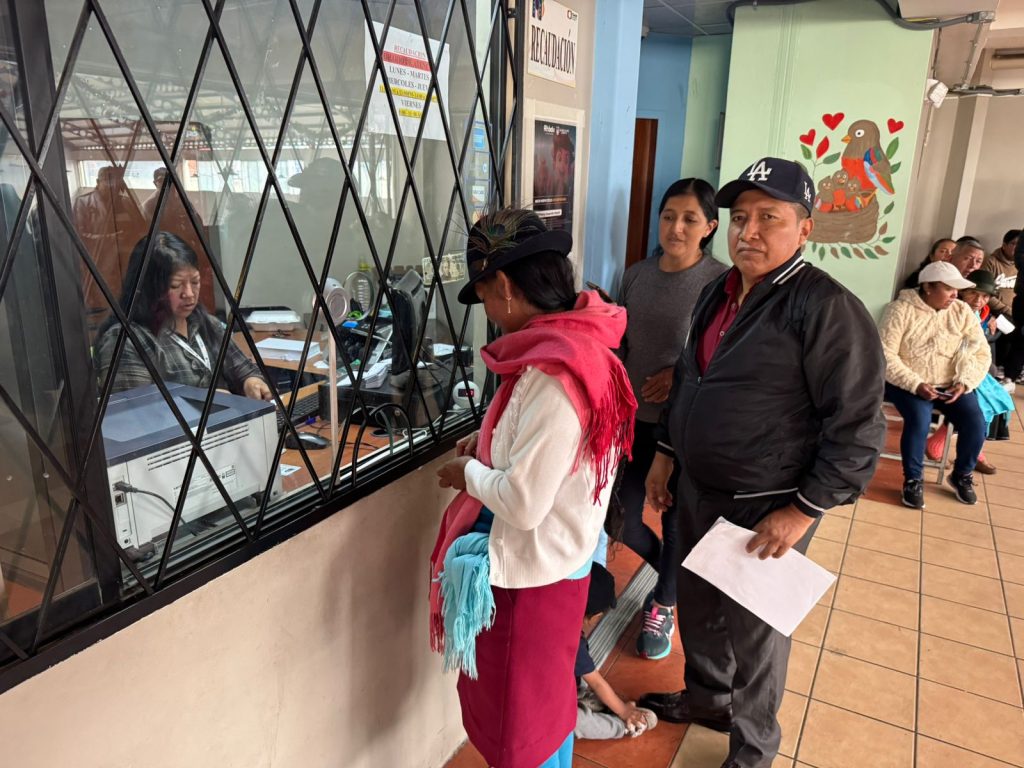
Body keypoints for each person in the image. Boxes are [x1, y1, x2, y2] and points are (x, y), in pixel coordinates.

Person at [636, 158, 886, 768]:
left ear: (805, 228)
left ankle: (752, 750)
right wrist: (666, 454)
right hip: (698, 487)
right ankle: (708, 702)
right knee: (699, 609)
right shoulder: (718, 291)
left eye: (768, 218)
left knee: (755, 633)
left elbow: (857, 428)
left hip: (766, 501)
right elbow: (690, 380)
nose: (748, 231)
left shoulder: (827, 308)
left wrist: (802, 511)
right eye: (740, 217)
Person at [430, 208, 637, 768]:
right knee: (546, 712)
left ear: (503, 286)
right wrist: (488, 444)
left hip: (533, 578)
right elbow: (548, 454)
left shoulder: (553, 372)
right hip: (561, 561)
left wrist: (467, 475)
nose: (490, 315)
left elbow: (523, 504)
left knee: (520, 725)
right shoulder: (578, 346)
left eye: (485, 298)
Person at [617, 178, 727, 660]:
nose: (675, 228)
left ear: (710, 227)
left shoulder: (720, 283)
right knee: (622, 519)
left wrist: (676, 374)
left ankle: (664, 601)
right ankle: (674, 572)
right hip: (632, 420)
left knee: (677, 519)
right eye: (668, 216)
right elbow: (623, 343)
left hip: (685, 426)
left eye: (689, 219)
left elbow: (724, 356)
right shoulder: (637, 275)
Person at [95, 231, 272, 400]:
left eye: (195, 282)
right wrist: (207, 401)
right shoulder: (126, 340)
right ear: (149, 288)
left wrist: (252, 382)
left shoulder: (207, 324)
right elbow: (139, 411)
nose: (189, 293)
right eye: (176, 285)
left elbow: (245, 371)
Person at [878, 261, 991, 508]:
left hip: (951, 384)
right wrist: (916, 384)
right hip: (908, 383)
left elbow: (981, 352)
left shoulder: (961, 311)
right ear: (928, 287)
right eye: (948, 289)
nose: (955, 295)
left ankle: (961, 474)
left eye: (957, 289)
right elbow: (885, 355)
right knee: (919, 421)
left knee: (976, 422)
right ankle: (913, 480)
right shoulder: (900, 310)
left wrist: (964, 382)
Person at [574, 563, 659, 741]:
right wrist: (624, 711)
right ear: (594, 617)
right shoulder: (571, 641)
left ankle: (584, 698)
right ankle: (622, 725)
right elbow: (596, 682)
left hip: (546, 687)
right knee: (574, 721)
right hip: (539, 705)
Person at [982, 229, 1021, 368]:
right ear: (1004, 245)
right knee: (1012, 331)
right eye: (1014, 243)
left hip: (1014, 310)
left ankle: (1012, 369)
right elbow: (985, 294)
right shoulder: (991, 262)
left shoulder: (1020, 264)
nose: (1017, 247)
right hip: (996, 311)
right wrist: (1007, 310)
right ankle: (1001, 368)